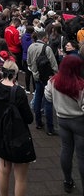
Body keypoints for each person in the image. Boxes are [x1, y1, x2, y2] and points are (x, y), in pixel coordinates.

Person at [0, 60, 35, 196]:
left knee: (3, 169)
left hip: (1, 133)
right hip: (18, 136)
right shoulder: (19, 92)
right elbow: (28, 118)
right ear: (15, 75)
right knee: (20, 177)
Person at [45, 55, 84, 193]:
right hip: (79, 122)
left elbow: (48, 96)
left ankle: (68, 181)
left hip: (62, 119)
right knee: (81, 156)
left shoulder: (53, 81)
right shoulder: (81, 85)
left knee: (66, 150)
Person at [27, 31, 58, 135]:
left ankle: (38, 122)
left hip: (36, 77)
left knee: (38, 98)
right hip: (47, 78)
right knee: (48, 101)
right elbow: (54, 65)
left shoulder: (31, 46)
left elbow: (29, 62)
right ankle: (50, 127)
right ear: (45, 38)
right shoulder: (47, 48)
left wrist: (34, 72)